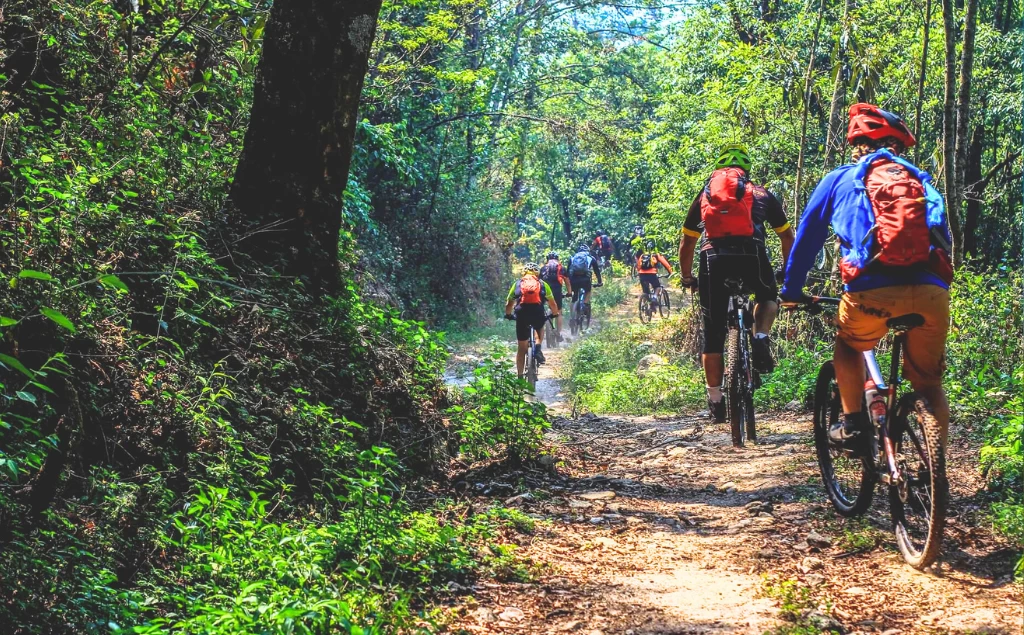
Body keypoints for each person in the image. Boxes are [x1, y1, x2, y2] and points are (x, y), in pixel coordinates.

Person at [781, 103, 953, 451]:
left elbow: (807, 238)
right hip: (932, 291)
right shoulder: (918, 180)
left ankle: (853, 423)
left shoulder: (840, 179)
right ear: (898, 146)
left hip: (869, 292)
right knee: (929, 384)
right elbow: (942, 241)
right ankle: (936, 471)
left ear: (857, 145)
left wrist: (792, 289)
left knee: (849, 343)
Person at [678, 143, 795, 422]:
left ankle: (716, 401)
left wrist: (686, 277)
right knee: (767, 297)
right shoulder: (762, 194)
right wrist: (787, 271)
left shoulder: (706, 195)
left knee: (713, 333)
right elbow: (787, 237)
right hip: (752, 256)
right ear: (746, 171)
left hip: (712, 261)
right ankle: (761, 337)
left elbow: (688, 242)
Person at [505, 262, 561, 377]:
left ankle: (520, 376)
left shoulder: (517, 284)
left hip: (522, 313)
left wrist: (508, 314)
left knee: (521, 348)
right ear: (537, 273)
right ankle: (538, 346)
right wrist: (555, 314)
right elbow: (552, 303)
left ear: (524, 273)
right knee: (540, 326)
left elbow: (509, 303)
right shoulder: (542, 284)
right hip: (537, 311)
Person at [539, 252, 571, 340]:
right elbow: (567, 282)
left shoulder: (543, 268)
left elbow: (538, 281)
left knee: (541, 310)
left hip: (544, 291)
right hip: (557, 291)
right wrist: (569, 292)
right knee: (559, 312)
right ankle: (558, 333)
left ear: (547, 259)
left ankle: (541, 330)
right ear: (557, 258)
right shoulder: (561, 268)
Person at [567, 243, 603, 322]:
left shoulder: (572, 258)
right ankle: (585, 306)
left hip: (574, 280)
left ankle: (572, 316)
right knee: (588, 291)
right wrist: (599, 282)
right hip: (585, 279)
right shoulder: (591, 258)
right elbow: (597, 271)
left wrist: (568, 283)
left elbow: (567, 272)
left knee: (574, 298)